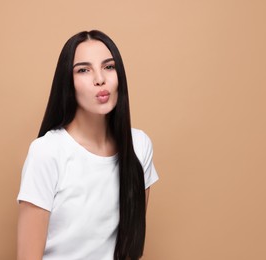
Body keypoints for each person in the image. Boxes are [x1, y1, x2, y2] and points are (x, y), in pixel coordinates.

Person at [16, 30, 159, 260]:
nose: (99, 79)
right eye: (84, 70)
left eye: (109, 67)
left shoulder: (139, 146)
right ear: (68, 83)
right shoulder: (47, 152)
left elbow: (132, 246)